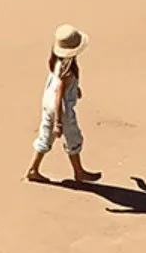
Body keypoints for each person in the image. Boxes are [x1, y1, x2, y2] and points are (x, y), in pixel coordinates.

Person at [27, 25, 100, 184]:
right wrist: (59, 122)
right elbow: (60, 94)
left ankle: (33, 169)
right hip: (61, 109)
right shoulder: (68, 70)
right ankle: (78, 172)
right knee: (73, 138)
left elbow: (60, 88)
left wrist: (75, 89)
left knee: (45, 135)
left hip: (48, 102)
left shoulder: (57, 61)